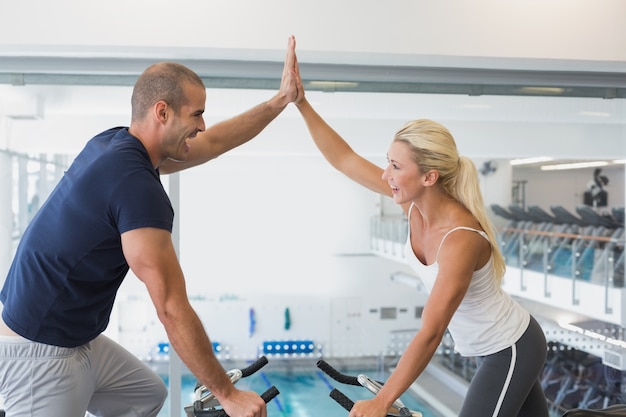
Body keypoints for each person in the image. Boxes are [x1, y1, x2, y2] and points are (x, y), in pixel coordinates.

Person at [0, 35, 302, 417]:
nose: (203, 125)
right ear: (162, 112)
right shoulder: (136, 187)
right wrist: (227, 394)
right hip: (37, 349)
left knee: (143, 396)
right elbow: (171, 307)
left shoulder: (116, 145)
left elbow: (216, 142)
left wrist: (280, 100)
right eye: (196, 114)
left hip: (76, 336)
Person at [292, 77, 549, 415]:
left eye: (396, 166)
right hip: (490, 349)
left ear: (429, 177)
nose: (386, 175)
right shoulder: (411, 205)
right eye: (388, 162)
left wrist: (381, 401)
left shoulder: (459, 240)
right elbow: (345, 160)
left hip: (511, 347)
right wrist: (301, 103)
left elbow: (431, 331)